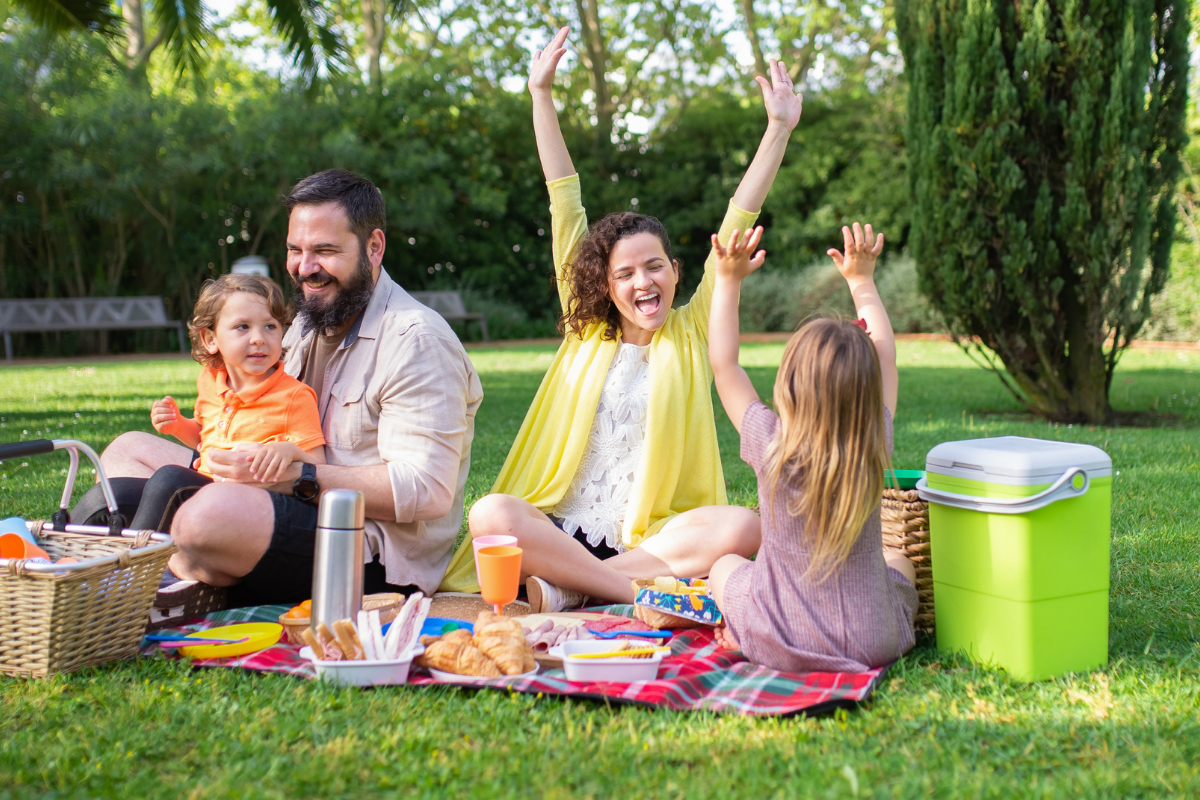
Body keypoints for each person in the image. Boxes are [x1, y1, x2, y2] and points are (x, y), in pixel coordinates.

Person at [439, 25, 803, 612]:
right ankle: (629, 593)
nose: (642, 282)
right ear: (605, 286)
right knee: (492, 513)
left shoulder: (691, 331)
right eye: (625, 274)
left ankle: (566, 589)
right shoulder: (586, 327)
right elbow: (564, 197)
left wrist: (778, 129)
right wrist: (540, 95)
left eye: (654, 267)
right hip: (559, 527)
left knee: (743, 526)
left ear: (677, 272)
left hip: (650, 541)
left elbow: (739, 218)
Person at [88, 169, 483, 606]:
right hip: (271, 495)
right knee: (125, 454)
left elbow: (426, 492)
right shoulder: (308, 324)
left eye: (325, 251)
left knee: (204, 517)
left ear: (374, 247)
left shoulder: (416, 340)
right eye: (296, 250)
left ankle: (152, 586)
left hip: (364, 549)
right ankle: (140, 569)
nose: (305, 268)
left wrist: (296, 477)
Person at [704, 221, 918, 673]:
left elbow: (724, 367)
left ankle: (738, 630)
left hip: (776, 637)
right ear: (866, 391)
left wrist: (727, 281)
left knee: (724, 566)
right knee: (898, 559)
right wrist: (861, 281)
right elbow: (886, 357)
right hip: (870, 641)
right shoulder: (872, 438)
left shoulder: (770, 442)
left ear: (790, 384)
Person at [101, 274, 328, 536]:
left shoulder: (294, 396)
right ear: (210, 339)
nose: (259, 338)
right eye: (243, 326)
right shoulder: (210, 379)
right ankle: (75, 557)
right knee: (116, 491)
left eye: (270, 326)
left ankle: (132, 566)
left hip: (248, 504)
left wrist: (288, 450)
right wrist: (178, 425)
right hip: (206, 484)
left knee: (169, 480)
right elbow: (203, 436)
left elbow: (318, 463)